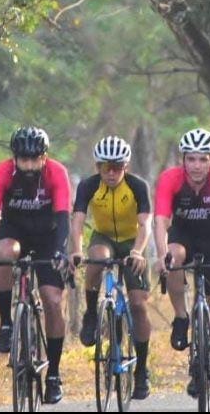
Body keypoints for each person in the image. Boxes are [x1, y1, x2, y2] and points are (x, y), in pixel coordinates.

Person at [0, 126, 71, 405]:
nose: (28, 166)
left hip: (48, 236)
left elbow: (63, 216)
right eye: (22, 159)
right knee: (3, 252)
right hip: (14, 230)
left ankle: (54, 373)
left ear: (44, 157)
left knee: (52, 300)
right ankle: (6, 325)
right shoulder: (3, 172)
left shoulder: (56, 173)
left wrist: (61, 251)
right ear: (14, 158)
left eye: (34, 159)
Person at [154, 128, 210, 411]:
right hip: (184, 236)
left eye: (203, 160)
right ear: (183, 160)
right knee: (174, 256)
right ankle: (181, 317)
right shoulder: (170, 178)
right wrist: (161, 255)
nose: (196, 166)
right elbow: (159, 221)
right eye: (190, 159)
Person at [71, 135, 153, 400]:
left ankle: (141, 370)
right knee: (96, 258)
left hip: (132, 242)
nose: (111, 172)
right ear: (98, 167)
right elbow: (78, 221)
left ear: (126, 166)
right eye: (106, 167)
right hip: (104, 237)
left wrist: (138, 252)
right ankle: (92, 315)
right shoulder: (88, 186)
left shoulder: (138, 186)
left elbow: (146, 225)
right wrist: (75, 249)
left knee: (139, 304)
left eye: (117, 166)